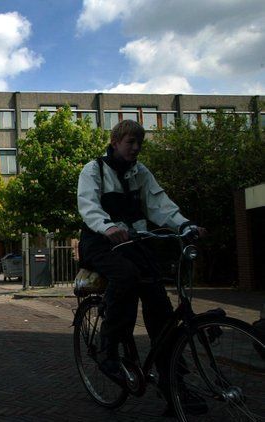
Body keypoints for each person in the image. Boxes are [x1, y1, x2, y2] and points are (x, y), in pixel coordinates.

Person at [77, 119, 206, 414]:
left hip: (135, 244)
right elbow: (88, 205)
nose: (136, 148)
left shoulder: (141, 173)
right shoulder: (94, 169)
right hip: (101, 243)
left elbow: (159, 203)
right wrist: (107, 227)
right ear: (115, 141)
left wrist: (185, 224)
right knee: (126, 277)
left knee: (159, 304)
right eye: (130, 143)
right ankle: (108, 352)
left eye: (139, 144)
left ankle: (173, 384)